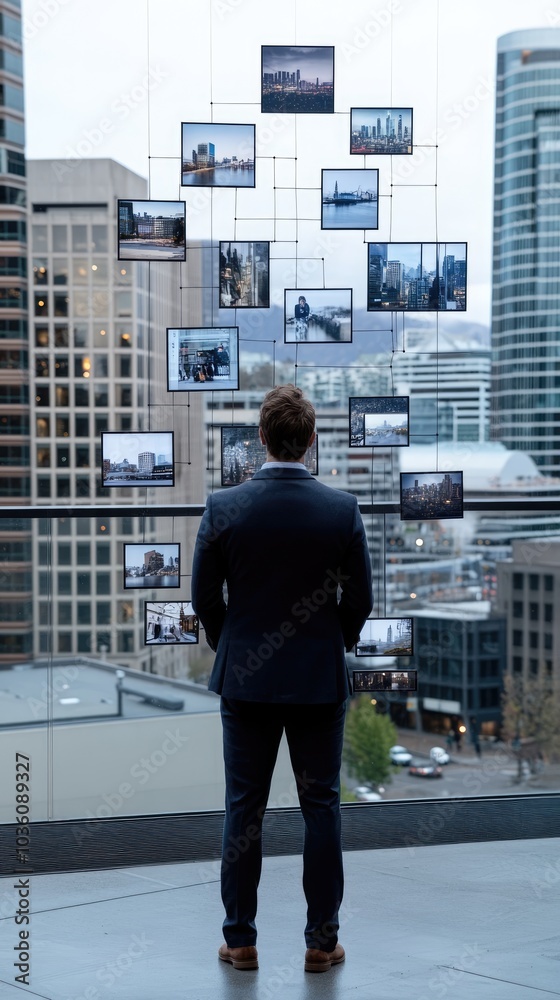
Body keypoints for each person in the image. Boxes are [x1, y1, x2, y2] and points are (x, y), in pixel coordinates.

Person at [192, 384, 372, 973]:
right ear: (311, 441)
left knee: (243, 809)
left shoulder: (224, 507)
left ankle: (240, 940)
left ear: (261, 438)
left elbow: (203, 598)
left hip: (246, 681)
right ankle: (321, 943)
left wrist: (232, 644)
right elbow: (360, 601)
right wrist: (331, 641)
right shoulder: (341, 509)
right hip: (318, 681)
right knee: (321, 807)